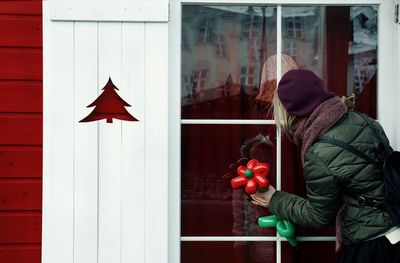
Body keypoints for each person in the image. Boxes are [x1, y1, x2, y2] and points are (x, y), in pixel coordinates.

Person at [250, 69, 400, 262]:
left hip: (373, 248)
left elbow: (318, 215)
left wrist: (273, 198)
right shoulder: (364, 121)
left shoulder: (320, 152)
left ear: (290, 111)